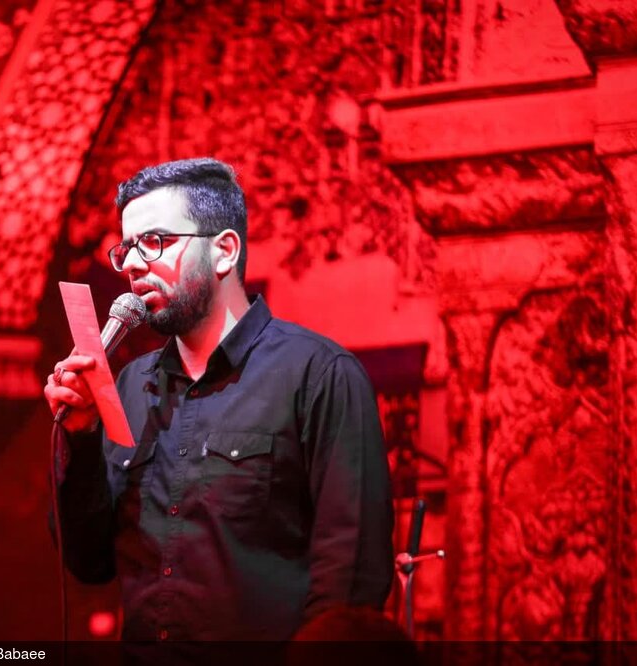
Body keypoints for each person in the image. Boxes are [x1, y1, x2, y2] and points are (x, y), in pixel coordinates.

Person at [44, 157, 393, 642]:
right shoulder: (130, 387)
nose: (134, 265)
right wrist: (81, 439)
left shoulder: (319, 376)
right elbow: (90, 561)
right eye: (126, 249)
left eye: (155, 241)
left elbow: (350, 578)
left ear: (224, 251)